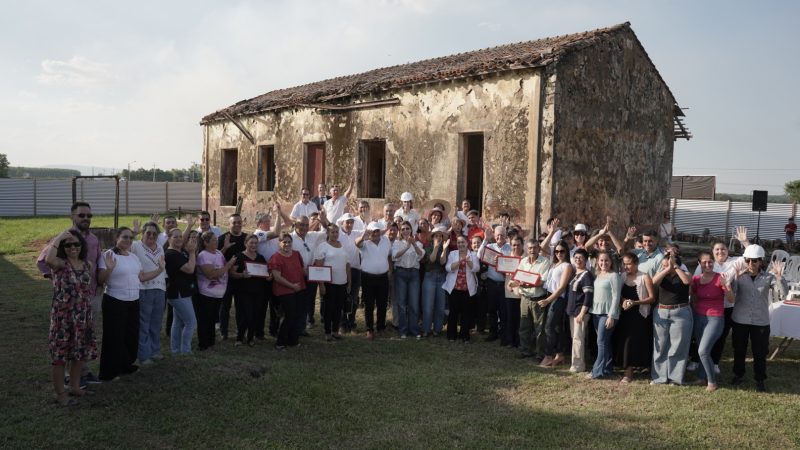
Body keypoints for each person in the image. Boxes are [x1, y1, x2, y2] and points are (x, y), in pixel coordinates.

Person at [37, 201, 102, 387]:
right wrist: (61, 282)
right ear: (72, 216)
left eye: (89, 216)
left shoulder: (94, 239)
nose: (86, 219)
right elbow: (43, 261)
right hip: (67, 304)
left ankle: (84, 373)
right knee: (66, 340)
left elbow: (97, 262)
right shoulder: (64, 238)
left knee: (84, 338)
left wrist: (100, 283)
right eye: (81, 215)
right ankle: (68, 377)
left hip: (89, 297)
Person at [97, 227, 164, 381]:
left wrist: (160, 269)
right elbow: (101, 280)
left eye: (130, 238)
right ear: (116, 238)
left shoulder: (134, 257)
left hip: (133, 300)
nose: (127, 240)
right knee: (114, 337)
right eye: (124, 237)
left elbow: (141, 276)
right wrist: (108, 269)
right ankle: (109, 372)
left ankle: (125, 365)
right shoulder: (108, 255)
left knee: (130, 335)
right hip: (115, 300)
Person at [45, 229, 97, 405]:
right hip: (63, 317)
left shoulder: (87, 264)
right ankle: (60, 394)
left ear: (81, 245)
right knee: (60, 356)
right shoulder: (59, 264)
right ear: (62, 247)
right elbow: (48, 259)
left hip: (83, 316)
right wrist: (59, 237)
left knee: (79, 353)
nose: (73, 247)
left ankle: (75, 387)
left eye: (76, 243)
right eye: (68, 244)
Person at [730, 245, 787, 392]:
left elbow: (783, 294)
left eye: (754, 261)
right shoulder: (739, 276)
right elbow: (732, 296)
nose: (751, 264)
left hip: (760, 321)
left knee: (760, 352)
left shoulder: (769, 277)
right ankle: (738, 374)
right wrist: (734, 279)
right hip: (740, 319)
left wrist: (780, 277)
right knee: (739, 349)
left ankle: (760, 379)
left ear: (760, 261)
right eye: (748, 260)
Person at [690, 251, 734, 391]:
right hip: (699, 316)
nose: (708, 264)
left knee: (703, 350)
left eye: (710, 261)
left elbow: (732, 299)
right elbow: (694, 297)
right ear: (699, 263)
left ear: (713, 263)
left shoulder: (720, 278)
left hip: (715, 317)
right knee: (701, 349)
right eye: (704, 262)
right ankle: (702, 378)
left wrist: (727, 286)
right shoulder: (696, 279)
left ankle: (712, 382)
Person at [650, 251, 692, 385]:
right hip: (661, 312)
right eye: (663, 265)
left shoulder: (684, 273)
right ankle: (659, 377)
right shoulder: (662, 274)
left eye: (667, 265)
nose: (665, 267)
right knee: (660, 346)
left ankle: (675, 378)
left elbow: (687, 281)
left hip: (681, 312)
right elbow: (653, 282)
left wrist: (675, 267)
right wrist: (666, 269)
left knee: (678, 347)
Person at [614, 252, 655, 383]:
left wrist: (635, 303)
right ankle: (628, 370)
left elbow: (652, 298)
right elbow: (618, 294)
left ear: (636, 263)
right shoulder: (623, 276)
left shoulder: (644, 277)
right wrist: (623, 301)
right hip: (625, 314)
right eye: (624, 264)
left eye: (628, 264)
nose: (626, 266)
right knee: (625, 341)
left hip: (640, 315)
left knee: (635, 342)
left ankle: (635, 369)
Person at [131, 221, 167, 365]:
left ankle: (155, 350)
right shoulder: (136, 246)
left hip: (160, 289)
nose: (151, 235)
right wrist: (133, 232)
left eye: (154, 233)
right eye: (148, 233)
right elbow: (123, 246)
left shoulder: (160, 248)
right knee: (144, 323)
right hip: (143, 289)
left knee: (156, 322)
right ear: (142, 233)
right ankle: (143, 355)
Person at [195, 231, 238, 351]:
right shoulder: (203, 255)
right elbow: (211, 275)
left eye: (216, 239)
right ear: (206, 242)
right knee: (205, 320)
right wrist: (228, 266)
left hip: (218, 294)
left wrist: (225, 248)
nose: (216, 241)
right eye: (214, 240)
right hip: (207, 294)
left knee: (213, 319)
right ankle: (203, 345)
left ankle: (211, 342)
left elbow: (217, 258)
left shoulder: (218, 252)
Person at [538, 240, 574, 367]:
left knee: (549, 327)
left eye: (562, 251)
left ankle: (548, 356)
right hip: (549, 295)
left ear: (566, 252)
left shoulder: (567, 266)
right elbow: (541, 247)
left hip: (558, 298)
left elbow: (562, 287)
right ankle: (559, 354)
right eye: (557, 251)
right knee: (556, 328)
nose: (559, 253)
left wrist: (548, 300)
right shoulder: (553, 264)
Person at [514, 239, 551, 359]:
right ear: (526, 249)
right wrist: (514, 283)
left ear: (539, 249)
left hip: (538, 298)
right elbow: (518, 277)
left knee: (539, 328)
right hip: (525, 297)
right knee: (524, 326)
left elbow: (542, 281)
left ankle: (540, 353)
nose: (532, 250)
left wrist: (528, 284)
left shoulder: (544, 262)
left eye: (535, 248)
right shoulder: (523, 261)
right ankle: (525, 350)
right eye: (530, 248)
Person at [269, 232, 306, 349]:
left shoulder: (296, 254)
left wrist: (318, 273)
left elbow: (302, 270)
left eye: (289, 242)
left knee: (297, 315)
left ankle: (293, 341)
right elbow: (277, 277)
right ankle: (280, 343)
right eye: (284, 242)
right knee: (289, 316)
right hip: (284, 291)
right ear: (279, 243)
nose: (287, 244)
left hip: (299, 289)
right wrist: (292, 286)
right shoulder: (275, 257)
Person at [230, 235, 269, 346]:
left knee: (255, 314)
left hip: (258, 291)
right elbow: (231, 273)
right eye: (251, 243)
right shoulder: (239, 256)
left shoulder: (260, 258)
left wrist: (268, 276)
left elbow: (265, 272)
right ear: (246, 243)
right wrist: (242, 275)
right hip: (243, 291)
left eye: (255, 243)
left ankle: (250, 338)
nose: (253, 245)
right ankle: (239, 337)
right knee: (246, 315)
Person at [314, 224, 351, 341]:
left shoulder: (343, 246)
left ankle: (335, 331)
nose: (335, 234)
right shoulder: (323, 246)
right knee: (328, 308)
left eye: (336, 232)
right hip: (329, 284)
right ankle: (327, 332)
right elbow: (318, 267)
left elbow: (347, 265)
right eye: (332, 232)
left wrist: (349, 282)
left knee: (338, 308)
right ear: (328, 233)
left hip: (342, 282)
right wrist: (321, 284)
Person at [587, 251, 621, 380]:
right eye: (601, 260)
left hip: (608, 314)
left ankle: (596, 371)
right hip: (596, 312)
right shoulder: (597, 275)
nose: (603, 263)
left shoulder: (614, 276)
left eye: (606, 260)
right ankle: (607, 368)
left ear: (611, 262)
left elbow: (616, 297)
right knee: (604, 342)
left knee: (600, 341)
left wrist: (611, 316)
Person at [164, 228, 198, 355]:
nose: (178, 239)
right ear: (169, 239)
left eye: (180, 236)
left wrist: (190, 251)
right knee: (191, 322)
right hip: (178, 293)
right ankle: (185, 351)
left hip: (183, 292)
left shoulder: (180, 252)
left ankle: (176, 350)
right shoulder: (171, 254)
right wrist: (192, 252)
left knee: (177, 322)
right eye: (175, 237)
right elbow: (190, 269)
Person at [356, 222, 392, 339]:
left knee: (382, 304)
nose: (375, 233)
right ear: (369, 232)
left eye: (377, 231)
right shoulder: (364, 243)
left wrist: (390, 270)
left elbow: (389, 256)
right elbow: (357, 243)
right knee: (369, 304)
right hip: (368, 278)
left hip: (383, 277)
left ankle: (381, 327)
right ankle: (369, 329)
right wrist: (363, 236)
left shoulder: (385, 240)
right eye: (373, 231)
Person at [442, 235, 480, 342]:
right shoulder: (452, 254)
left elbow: (476, 269)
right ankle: (451, 335)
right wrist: (459, 262)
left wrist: (468, 261)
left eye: (462, 242)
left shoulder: (473, 255)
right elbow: (448, 268)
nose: (460, 244)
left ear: (467, 243)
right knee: (453, 312)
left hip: (467, 288)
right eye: (458, 243)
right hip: (454, 288)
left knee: (466, 313)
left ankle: (464, 335)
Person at [478, 225, 512, 344]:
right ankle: (493, 333)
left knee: (503, 311)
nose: (499, 237)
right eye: (497, 235)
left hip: (504, 284)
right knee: (492, 309)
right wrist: (486, 239)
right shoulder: (490, 246)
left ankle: (503, 335)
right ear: (494, 235)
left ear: (506, 236)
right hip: (491, 283)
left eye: (502, 235)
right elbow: (479, 255)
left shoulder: (510, 248)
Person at [392, 221, 425, 339]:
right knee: (401, 304)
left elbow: (421, 255)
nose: (405, 230)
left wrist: (414, 245)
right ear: (400, 231)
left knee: (414, 303)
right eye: (403, 229)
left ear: (411, 230)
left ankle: (414, 329)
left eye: (407, 228)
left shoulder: (418, 243)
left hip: (414, 274)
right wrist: (407, 246)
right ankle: (403, 330)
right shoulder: (397, 243)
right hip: (400, 273)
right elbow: (395, 256)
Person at [218, 214, 248, 340]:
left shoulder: (247, 238)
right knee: (225, 306)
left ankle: (240, 332)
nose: (237, 224)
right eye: (234, 222)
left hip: (242, 278)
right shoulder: (222, 238)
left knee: (241, 306)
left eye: (239, 222)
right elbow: (216, 256)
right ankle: (223, 332)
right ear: (229, 223)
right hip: (226, 278)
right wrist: (225, 247)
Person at [566, 248, 594, 373]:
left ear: (586, 260)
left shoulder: (586, 275)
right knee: (575, 338)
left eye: (581, 258)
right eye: (576, 257)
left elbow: (588, 296)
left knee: (578, 339)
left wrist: (582, 313)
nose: (578, 260)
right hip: (572, 312)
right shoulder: (575, 274)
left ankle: (578, 366)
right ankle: (576, 362)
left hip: (580, 312)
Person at [337, 213, 363, 333]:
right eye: (347, 222)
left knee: (353, 297)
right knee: (342, 296)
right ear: (342, 223)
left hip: (356, 269)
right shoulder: (338, 234)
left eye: (351, 222)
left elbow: (369, 233)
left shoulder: (357, 233)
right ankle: (342, 323)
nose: (349, 224)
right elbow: (327, 226)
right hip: (341, 269)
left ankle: (352, 323)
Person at [421, 225, 448, 337]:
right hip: (429, 277)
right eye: (436, 235)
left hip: (441, 277)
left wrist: (445, 249)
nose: (438, 237)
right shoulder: (427, 247)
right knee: (428, 306)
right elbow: (431, 260)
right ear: (432, 237)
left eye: (440, 235)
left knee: (440, 306)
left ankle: (437, 329)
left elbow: (442, 262)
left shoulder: (445, 246)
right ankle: (426, 329)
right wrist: (436, 247)